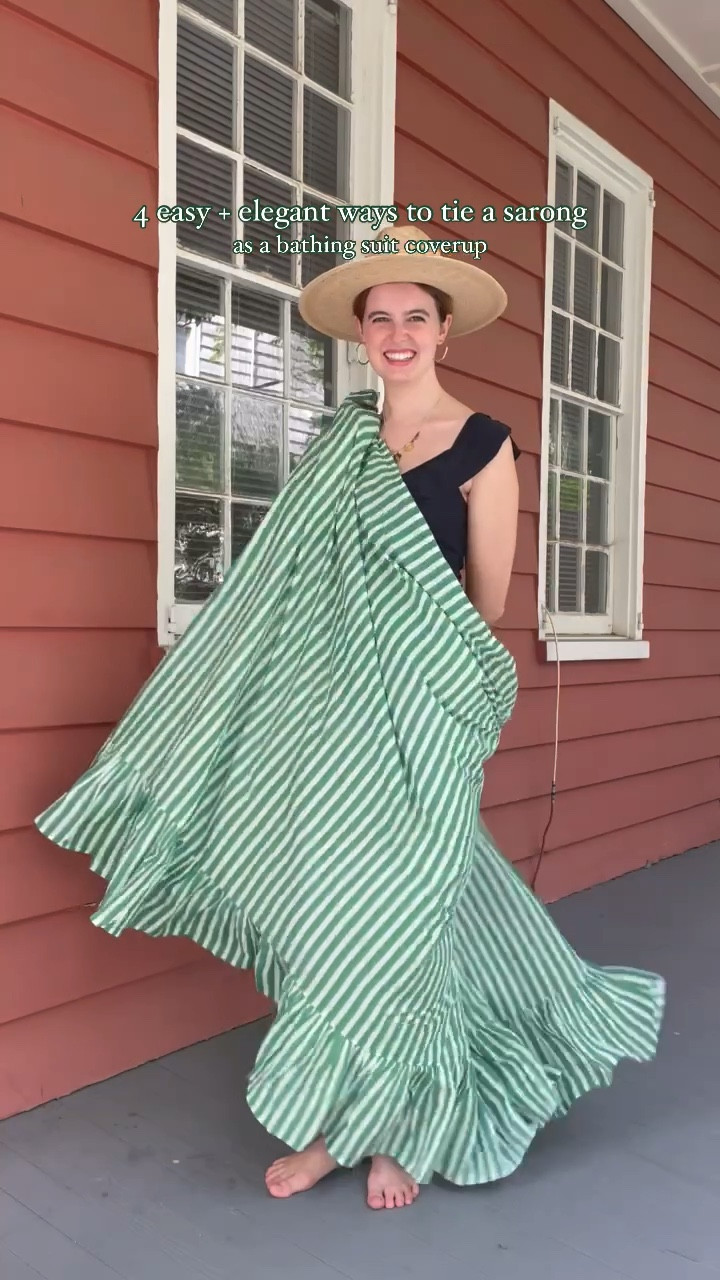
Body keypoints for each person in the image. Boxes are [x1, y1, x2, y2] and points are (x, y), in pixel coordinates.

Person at [34, 226, 665, 1214]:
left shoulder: (484, 445)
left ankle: (403, 1126)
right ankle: (343, 1124)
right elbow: (285, 585)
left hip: (422, 708)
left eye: (418, 315)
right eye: (383, 318)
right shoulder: (339, 444)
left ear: (445, 331)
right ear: (363, 337)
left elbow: (481, 606)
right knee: (337, 904)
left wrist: (406, 663)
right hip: (324, 717)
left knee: (408, 905)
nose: (399, 332)